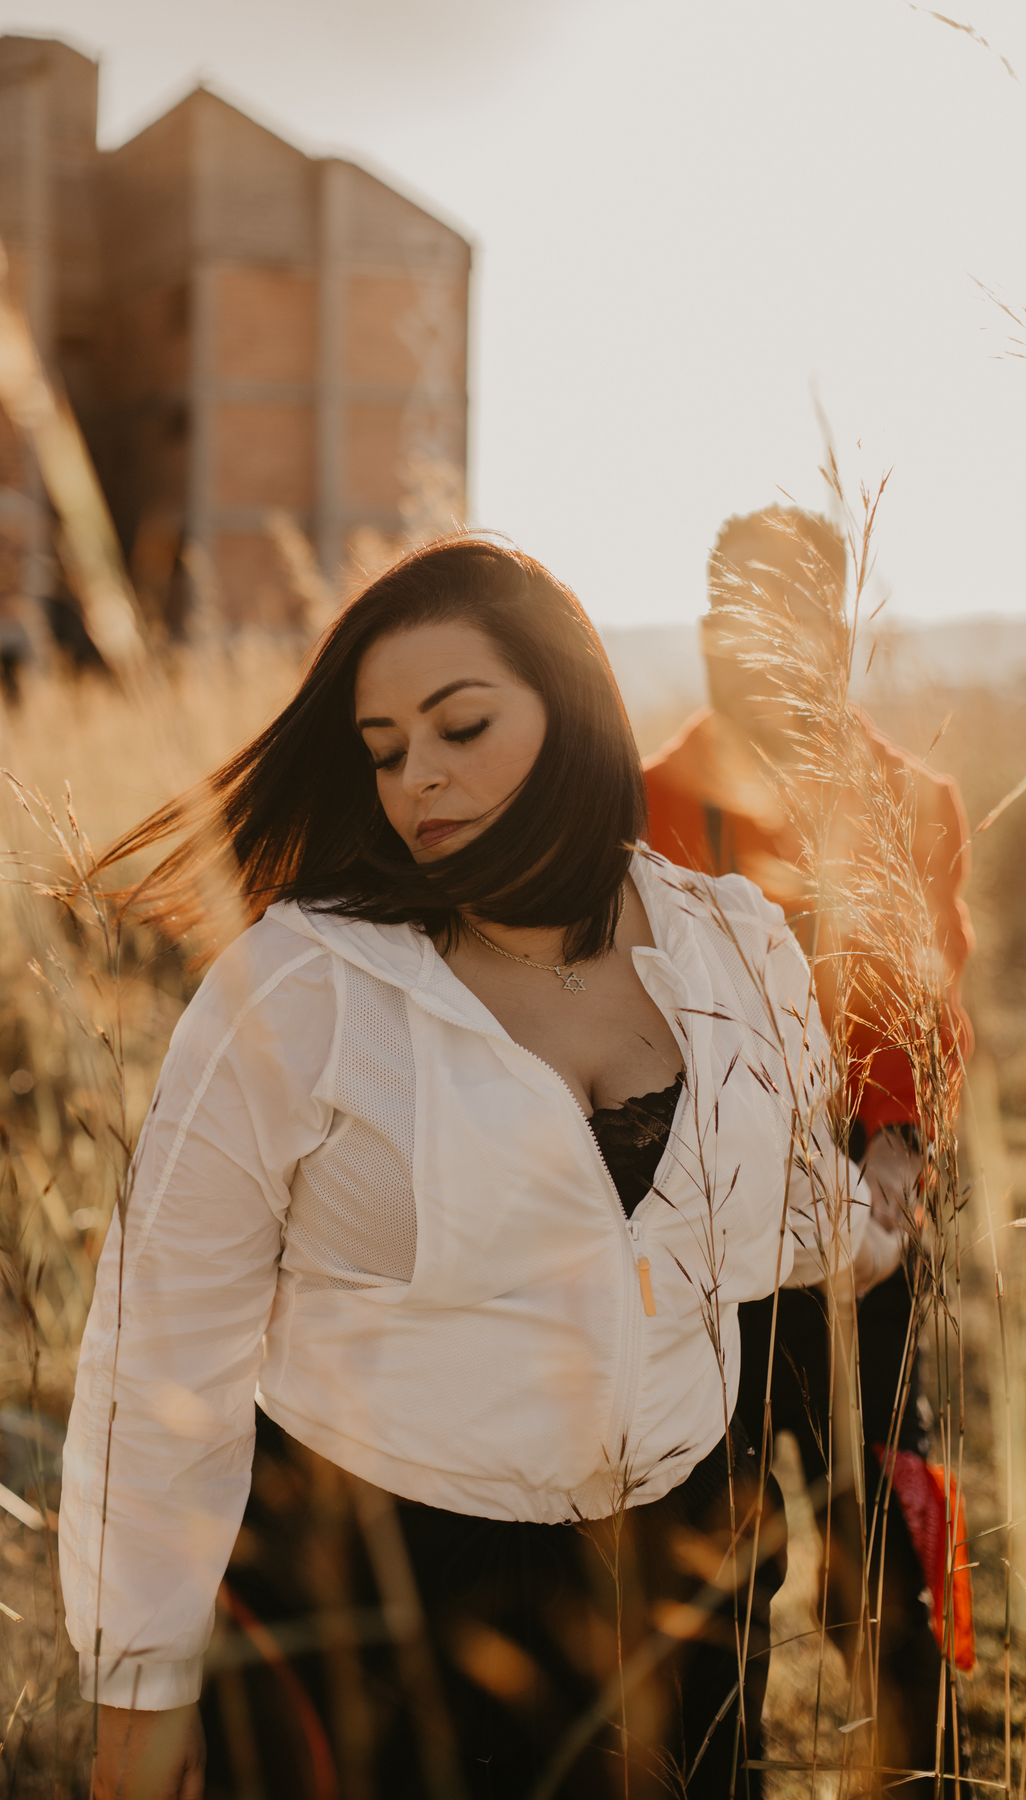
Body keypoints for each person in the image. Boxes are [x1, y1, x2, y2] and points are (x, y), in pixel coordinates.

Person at [59, 537, 898, 1800]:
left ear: (573, 706)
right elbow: (162, 1350)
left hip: (682, 1575)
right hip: (379, 1595)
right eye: (385, 749)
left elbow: (763, 1200)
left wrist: (866, 1229)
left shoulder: (733, 944)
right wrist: (141, 1694)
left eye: (461, 727)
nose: (419, 779)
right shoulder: (302, 987)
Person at [644, 506, 975, 1794]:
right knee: (711, 1551)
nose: (757, 642)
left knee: (884, 1525)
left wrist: (892, 1159)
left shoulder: (912, 800)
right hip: (698, 1221)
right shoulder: (645, 801)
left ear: (834, 633)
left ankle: (916, 1766)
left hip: (866, 1224)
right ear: (705, 631)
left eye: (788, 615)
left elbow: (923, 1007)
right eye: (734, 616)